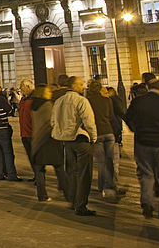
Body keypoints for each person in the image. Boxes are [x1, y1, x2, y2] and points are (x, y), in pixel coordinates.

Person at [124, 79, 159, 219]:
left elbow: (127, 117)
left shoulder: (138, 102)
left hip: (143, 142)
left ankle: (147, 201)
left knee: (146, 174)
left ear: (148, 87)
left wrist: (135, 129)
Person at [51, 75, 98, 216]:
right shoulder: (81, 101)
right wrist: (93, 137)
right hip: (81, 139)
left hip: (67, 141)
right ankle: (81, 205)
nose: (83, 86)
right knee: (84, 174)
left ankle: (72, 200)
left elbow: (53, 122)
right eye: (81, 84)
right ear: (74, 86)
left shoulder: (59, 101)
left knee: (71, 172)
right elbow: (89, 121)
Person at [30, 84, 66, 202]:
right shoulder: (47, 105)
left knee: (39, 169)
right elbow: (53, 122)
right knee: (59, 167)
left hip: (37, 141)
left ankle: (42, 195)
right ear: (43, 93)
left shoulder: (33, 105)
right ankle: (67, 192)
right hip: (49, 139)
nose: (50, 93)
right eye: (48, 91)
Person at [86, 79, 118, 201]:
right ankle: (110, 185)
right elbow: (110, 116)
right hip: (108, 132)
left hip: (97, 134)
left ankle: (102, 186)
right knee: (110, 160)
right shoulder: (107, 100)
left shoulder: (88, 101)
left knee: (101, 162)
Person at [17, 79, 35, 176]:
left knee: (36, 158)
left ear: (28, 87)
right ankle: (36, 175)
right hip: (24, 133)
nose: (20, 88)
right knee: (30, 157)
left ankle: (39, 177)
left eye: (22, 86)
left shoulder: (34, 100)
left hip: (33, 134)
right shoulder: (23, 100)